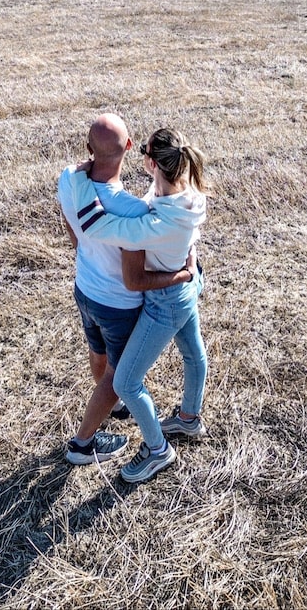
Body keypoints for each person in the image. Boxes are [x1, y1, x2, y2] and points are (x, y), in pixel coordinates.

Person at [68, 127, 208, 484]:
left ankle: (157, 451)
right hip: (189, 289)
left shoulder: (153, 223)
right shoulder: (187, 194)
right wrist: (187, 269)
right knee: (193, 355)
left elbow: (96, 227)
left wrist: (79, 177)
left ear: (150, 163)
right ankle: (189, 418)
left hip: (165, 302)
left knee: (127, 382)